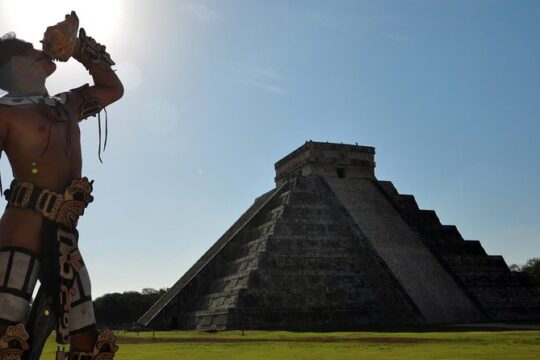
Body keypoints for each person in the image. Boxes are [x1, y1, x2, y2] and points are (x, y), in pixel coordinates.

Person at [0, 15, 123, 360]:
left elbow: (113, 89)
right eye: (29, 49)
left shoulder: (67, 104)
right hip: (19, 235)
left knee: (89, 342)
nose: (41, 50)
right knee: (5, 336)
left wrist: (84, 50)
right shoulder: (4, 112)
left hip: (66, 239)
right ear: (12, 66)